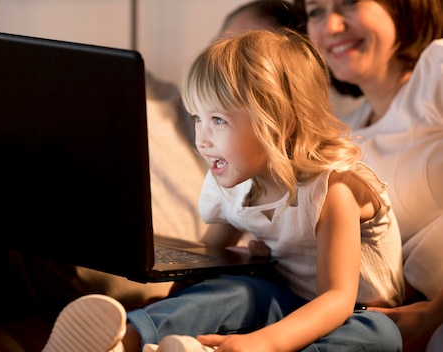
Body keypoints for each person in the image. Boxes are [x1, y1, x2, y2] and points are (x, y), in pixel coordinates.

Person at [43, 28, 405, 352]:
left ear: (279, 124)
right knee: (239, 290)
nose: (201, 138)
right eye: (197, 117)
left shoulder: (333, 189)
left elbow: (336, 299)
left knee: (382, 335)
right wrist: (189, 293)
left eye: (218, 120)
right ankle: (127, 340)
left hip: (352, 312)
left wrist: (266, 342)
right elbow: (213, 256)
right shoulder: (234, 181)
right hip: (281, 299)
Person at [291, 0, 443, 350]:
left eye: (348, 3)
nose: (330, 27)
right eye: (315, 12)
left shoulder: (436, 69)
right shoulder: (345, 137)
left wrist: (434, 313)